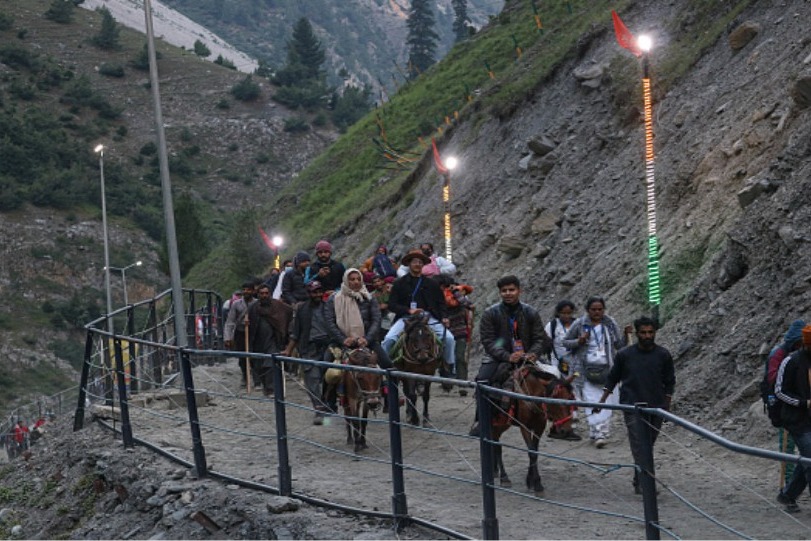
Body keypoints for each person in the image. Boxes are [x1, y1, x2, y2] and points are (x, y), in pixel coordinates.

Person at [594, 316, 675, 494]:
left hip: (656, 407)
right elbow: (613, 379)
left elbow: (669, 382)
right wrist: (601, 402)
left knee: (648, 444)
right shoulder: (625, 355)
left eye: (650, 332)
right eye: (643, 333)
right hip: (632, 407)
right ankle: (648, 485)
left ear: (655, 333)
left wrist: (666, 406)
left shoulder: (663, 355)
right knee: (640, 446)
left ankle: (639, 479)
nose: (647, 336)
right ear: (637, 334)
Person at [469, 275, 552, 436]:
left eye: (511, 290)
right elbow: (488, 341)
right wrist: (507, 356)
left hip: (528, 356)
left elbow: (539, 338)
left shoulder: (531, 312)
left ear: (519, 291)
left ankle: (559, 421)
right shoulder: (490, 313)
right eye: (504, 291)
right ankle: (482, 421)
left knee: (555, 377)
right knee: (482, 380)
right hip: (499, 357)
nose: (508, 293)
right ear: (500, 293)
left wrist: (533, 354)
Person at [563, 296, 631, 448]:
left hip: (607, 369)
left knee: (606, 400)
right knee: (591, 400)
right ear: (588, 310)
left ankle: (598, 431)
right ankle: (600, 432)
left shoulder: (610, 323)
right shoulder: (580, 324)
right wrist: (579, 341)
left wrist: (626, 335)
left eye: (600, 309)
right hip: (585, 370)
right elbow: (566, 342)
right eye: (593, 310)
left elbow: (619, 345)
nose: (597, 312)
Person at [381, 250, 455, 373]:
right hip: (406, 318)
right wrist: (408, 310)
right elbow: (392, 305)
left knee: (449, 339)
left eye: (420, 262)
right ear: (409, 264)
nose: (418, 264)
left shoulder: (432, 283)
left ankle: (449, 367)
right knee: (388, 340)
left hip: (429, 317)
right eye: (415, 262)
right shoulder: (399, 283)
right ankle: (385, 370)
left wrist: (444, 317)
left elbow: (441, 303)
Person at [282, 281, 333, 425]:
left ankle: (328, 405)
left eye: (319, 292)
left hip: (328, 346)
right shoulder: (302, 310)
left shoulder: (328, 307)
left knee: (329, 378)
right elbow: (296, 332)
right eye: (314, 292)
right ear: (308, 293)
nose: (317, 295)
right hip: (309, 347)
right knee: (312, 379)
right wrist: (288, 350)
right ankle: (319, 410)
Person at [775, 325, 811, 513]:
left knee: (808, 459)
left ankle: (788, 495)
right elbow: (779, 390)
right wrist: (803, 403)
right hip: (796, 420)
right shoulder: (791, 361)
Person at [767, 319, 806, 486]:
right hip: (782, 406)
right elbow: (772, 379)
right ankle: (787, 485)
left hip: (799, 406)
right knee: (787, 448)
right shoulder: (779, 354)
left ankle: (791, 487)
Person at [436, 274, 474, 395]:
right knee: (445, 357)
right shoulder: (437, 298)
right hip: (443, 331)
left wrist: (456, 292)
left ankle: (462, 384)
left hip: (460, 331)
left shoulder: (458, 295)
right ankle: (447, 382)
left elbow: (469, 305)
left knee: (459, 357)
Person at [247, 284, 288, 396]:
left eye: (266, 293)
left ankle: (271, 389)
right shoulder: (253, 308)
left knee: (270, 363)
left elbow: (287, 313)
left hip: (273, 339)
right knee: (259, 366)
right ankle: (265, 386)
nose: (264, 296)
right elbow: (247, 323)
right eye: (262, 293)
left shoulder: (276, 306)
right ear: (258, 294)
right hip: (257, 340)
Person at [545, 300, 579, 417]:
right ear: (558, 313)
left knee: (574, 387)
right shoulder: (552, 326)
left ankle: (574, 413)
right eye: (563, 313)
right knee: (560, 387)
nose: (566, 316)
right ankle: (558, 412)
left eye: (569, 313)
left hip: (575, 363)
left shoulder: (577, 324)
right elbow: (546, 342)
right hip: (557, 364)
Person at [224, 281, 258, 389]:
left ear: (253, 291)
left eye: (248, 289)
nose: (246, 292)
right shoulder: (236, 304)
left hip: (254, 333)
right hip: (241, 333)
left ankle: (257, 380)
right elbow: (230, 321)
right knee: (242, 357)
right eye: (244, 290)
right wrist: (228, 337)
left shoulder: (257, 303)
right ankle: (245, 376)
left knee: (255, 357)